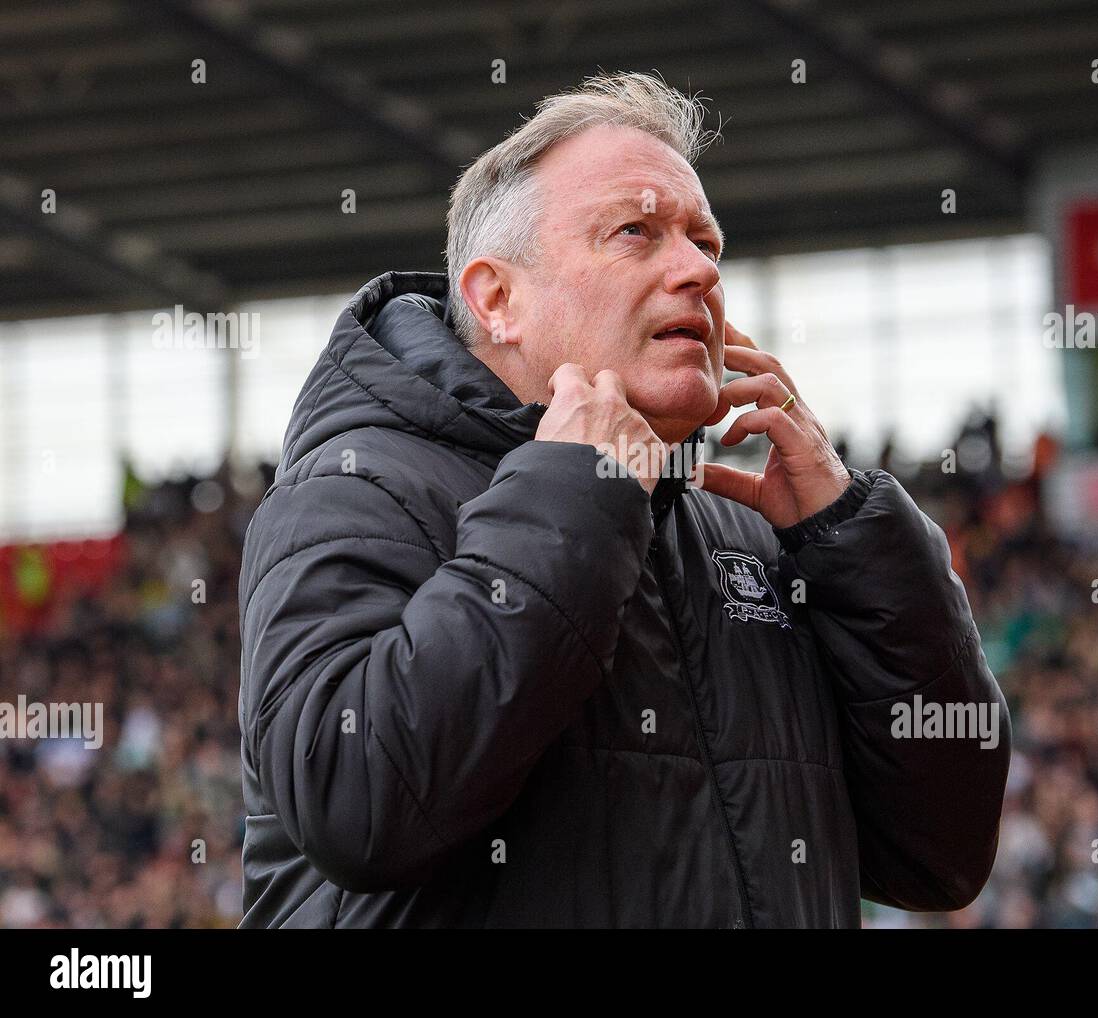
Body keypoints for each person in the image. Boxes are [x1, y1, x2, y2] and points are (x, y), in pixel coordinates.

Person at [237, 71, 1011, 928]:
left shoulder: (755, 527)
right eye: (636, 233)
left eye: (705, 243)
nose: (696, 271)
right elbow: (355, 803)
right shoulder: (355, 486)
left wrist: (860, 550)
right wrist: (573, 494)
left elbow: (941, 855)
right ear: (498, 300)